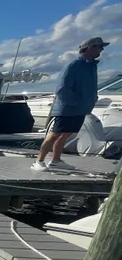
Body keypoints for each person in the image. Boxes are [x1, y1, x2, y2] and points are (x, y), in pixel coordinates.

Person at [31, 36, 109, 171]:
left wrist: (91, 99)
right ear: (90, 48)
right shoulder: (74, 66)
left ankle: (56, 161)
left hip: (81, 108)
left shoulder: (91, 66)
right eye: (100, 47)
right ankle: (39, 161)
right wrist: (75, 102)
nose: (101, 50)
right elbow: (62, 89)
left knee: (66, 134)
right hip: (67, 108)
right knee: (55, 134)